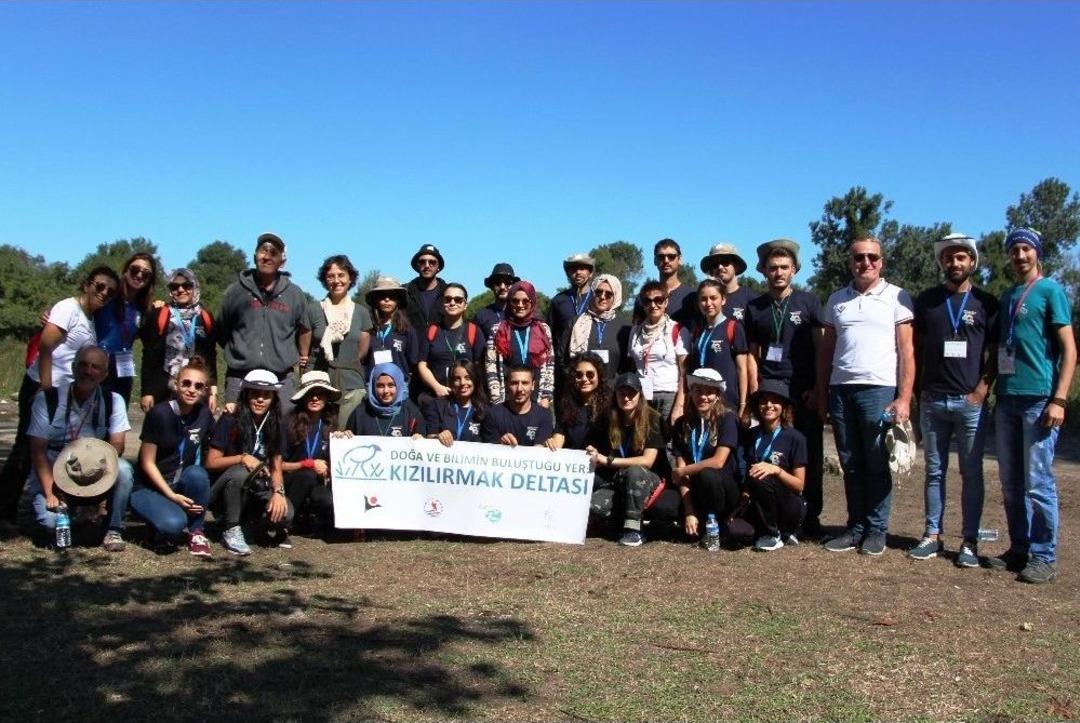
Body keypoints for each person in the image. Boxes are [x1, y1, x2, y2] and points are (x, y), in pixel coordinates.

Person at [987, 228, 1076, 584]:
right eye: (1014, 250)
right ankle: (1019, 548)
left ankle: (1044, 555)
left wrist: (1059, 398)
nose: (1020, 256)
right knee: (1011, 482)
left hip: (1039, 399)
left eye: (1026, 249)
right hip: (1007, 398)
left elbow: (1070, 349)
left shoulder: (1051, 290)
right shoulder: (1007, 296)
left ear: (1037, 253)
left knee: (1038, 481)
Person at [818, 237, 915, 557]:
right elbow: (826, 351)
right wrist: (822, 392)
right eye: (859, 257)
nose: (866, 263)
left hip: (878, 390)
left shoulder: (896, 297)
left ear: (882, 261)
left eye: (872, 257)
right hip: (841, 389)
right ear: (850, 262)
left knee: (876, 462)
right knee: (851, 462)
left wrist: (903, 398)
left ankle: (876, 530)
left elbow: (906, 351)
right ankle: (855, 527)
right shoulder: (836, 300)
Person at [0, 266, 119, 523]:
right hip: (45, 387)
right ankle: (5, 508)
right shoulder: (69, 308)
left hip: (65, 391)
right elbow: (46, 346)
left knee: (41, 447)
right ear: (87, 284)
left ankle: (22, 505)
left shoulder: (88, 318)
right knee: (26, 447)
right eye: (99, 286)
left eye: (109, 292)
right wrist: (45, 387)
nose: (103, 293)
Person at [907, 234, 998, 567]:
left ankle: (969, 542)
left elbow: (995, 353)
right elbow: (915, 349)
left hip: (970, 402)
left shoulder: (987, 303)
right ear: (941, 262)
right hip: (933, 399)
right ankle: (932, 535)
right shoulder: (928, 301)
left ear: (972, 262)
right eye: (949, 258)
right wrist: (916, 393)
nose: (955, 263)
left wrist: (982, 390)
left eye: (961, 258)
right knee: (934, 471)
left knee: (971, 473)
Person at [745, 239, 825, 536]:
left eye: (784, 268)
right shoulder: (756, 307)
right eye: (772, 268)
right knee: (768, 450)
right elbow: (753, 352)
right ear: (764, 271)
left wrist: (819, 387)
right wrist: (756, 387)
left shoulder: (809, 302)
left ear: (794, 270)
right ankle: (772, 514)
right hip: (770, 388)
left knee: (809, 454)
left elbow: (820, 347)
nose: (778, 273)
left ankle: (811, 516)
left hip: (802, 389)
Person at [20, 345, 133, 551]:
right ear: (73, 368)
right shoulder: (46, 399)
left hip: (92, 465)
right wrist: (50, 491)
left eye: (95, 367)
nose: (88, 371)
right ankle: (69, 511)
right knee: (51, 524)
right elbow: (37, 450)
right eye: (83, 365)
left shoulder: (113, 401)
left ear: (105, 374)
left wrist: (95, 461)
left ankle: (113, 529)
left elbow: (118, 443)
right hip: (54, 466)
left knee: (124, 469)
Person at [216, 232, 313, 417]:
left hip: (281, 376)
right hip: (240, 374)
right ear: (254, 256)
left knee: (286, 428)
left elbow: (304, 328)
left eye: (273, 252)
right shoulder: (235, 292)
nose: (267, 256)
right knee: (234, 427)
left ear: (282, 262)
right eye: (263, 251)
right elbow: (222, 329)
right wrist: (240, 351)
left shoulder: (294, 294)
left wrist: (302, 355)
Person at [129, 357, 214, 556]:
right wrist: (171, 496)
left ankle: (196, 531)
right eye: (186, 383)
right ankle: (157, 521)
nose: (192, 389)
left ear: (204, 390)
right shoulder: (159, 414)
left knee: (198, 474)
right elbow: (146, 462)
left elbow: (213, 448)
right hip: (150, 486)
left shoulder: (204, 414)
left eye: (198, 386)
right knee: (173, 525)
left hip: (179, 482)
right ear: (176, 385)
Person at [206, 369, 293, 556]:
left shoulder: (277, 423)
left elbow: (276, 467)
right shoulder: (230, 419)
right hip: (224, 485)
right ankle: (231, 527)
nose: (260, 399)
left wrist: (278, 493)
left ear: (273, 399)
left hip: (257, 487)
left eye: (266, 395)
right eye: (255, 394)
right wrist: (242, 458)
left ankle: (248, 523)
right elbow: (211, 462)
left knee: (286, 514)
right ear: (246, 395)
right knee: (241, 471)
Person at [585, 373, 668, 547]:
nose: (626, 397)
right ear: (615, 395)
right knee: (593, 507)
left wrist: (608, 461)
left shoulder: (653, 418)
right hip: (618, 479)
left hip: (647, 477)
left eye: (632, 393)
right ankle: (619, 521)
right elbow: (597, 449)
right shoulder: (608, 418)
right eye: (621, 393)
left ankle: (633, 529)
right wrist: (593, 452)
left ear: (640, 395)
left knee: (635, 471)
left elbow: (648, 461)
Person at [670, 368, 739, 549]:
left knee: (708, 474)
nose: (703, 397)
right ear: (691, 392)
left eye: (709, 392)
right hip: (696, 490)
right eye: (698, 391)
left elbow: (718, 462)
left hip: (724, 488)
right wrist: (689, 511)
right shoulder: (681, 424)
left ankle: (720, 524)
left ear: (717, 394)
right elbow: (680, 475)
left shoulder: (727, 419)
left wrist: (684, 470)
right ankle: (698, 519)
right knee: (665, 507)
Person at [739, 380, 807, 552]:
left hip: (788, 502)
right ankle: (780, 532)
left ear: (784, 407)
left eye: (774, 401)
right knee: (738, 533)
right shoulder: (752, 435)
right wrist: (746, 491)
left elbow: (799, 486)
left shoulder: (795, 438)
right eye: (763, 401)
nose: (768, 405)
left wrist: (776, 470)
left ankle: (774, 533)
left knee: (761, 475)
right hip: (759, 500)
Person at [139, 267, 218, 413]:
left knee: (194, 431)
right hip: (164, 387)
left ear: (194, 287)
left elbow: (210, 355)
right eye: (174, 287)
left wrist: (213, 391)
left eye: (186, 285)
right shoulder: (160, 313)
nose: (180, 290)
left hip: (195, 387)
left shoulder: (205, 316)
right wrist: (147, 391)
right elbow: (149, 354)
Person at [310, 255, 374, 427]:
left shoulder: (361, 313)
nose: (336, 280)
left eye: (341, 275)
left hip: (352, 386)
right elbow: (306, 352)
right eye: (331, 276)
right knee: (322, 440)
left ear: (350, 278)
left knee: (348, 439)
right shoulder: (314, 310)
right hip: (320, 387)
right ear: (324, 279)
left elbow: (361, 353)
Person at [95, 253, 158, 406]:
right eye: (135, 269)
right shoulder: (107, 295)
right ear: (125, 271)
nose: (139, 275)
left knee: (117, 417)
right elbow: (81, 306)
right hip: (96, 364)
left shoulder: (145, 309)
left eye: (146, 273)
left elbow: (151, 348)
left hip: (123, 369)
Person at [281, 371, 340, 533]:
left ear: (327, 397)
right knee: (307, 475)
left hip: (317, 483)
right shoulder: (288, 421)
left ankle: (305, 519)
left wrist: (345, 439)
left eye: (320, 394)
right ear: (303, 396)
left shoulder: (331, 423)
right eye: (310, 394)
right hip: (289, 481)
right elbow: (277, 465)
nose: (315, 398)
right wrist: (308, 464)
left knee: (327, 500)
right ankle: (286, 521)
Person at [485, 280, 556, 406]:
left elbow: (550, 364)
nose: (520, 305)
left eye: (525, 301)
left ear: (532, 302)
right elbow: (491, 366)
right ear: (509, 302)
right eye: (515, 301)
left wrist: (546, 397)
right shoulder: (497, 330)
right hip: (506, 399)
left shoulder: (543, 329)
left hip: (537, 399)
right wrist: (497, 399)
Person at [629, 280, 689, 427]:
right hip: (641, 395)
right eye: (647, 301)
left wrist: (679, 406)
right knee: (643, 442)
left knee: (668, 444)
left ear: (666, 302)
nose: (653, 305)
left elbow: (684, 373)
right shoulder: (635, 331)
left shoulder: (678, 330)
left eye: (658, 300)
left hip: (668, 395)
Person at [685, 279, 749, 415]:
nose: (708, 303)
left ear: (723, 300)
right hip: (701, 401)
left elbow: (742, 369)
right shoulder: (698, 331)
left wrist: (743, 404)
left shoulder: (733, 327)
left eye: (713, 298)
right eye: (703, 299)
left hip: (726, 402)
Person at [416, 283, 485, 404]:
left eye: (458, 300)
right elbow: (422, 365)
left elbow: (480, 366)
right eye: (448, 299)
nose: (452, 303)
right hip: (437, 398)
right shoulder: (432, 331)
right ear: (442, 304)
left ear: (465, 305)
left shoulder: (474, 331)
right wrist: (436, 387)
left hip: (466, 398)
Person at [563, 273, 631, 383]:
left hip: (613, 392)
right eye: (598, 292)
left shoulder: (625, 327)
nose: (602, 297)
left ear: (616, 297)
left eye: (608, 294)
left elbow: (628, 365)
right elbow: (563, 359)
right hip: (580, 389)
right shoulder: (576, 323)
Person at [546, 353, 610, 452]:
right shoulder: (566, 406)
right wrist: (552, 444)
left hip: (601, 464)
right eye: (579, 375)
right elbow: (558, 438)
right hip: (573, 464)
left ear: (599, 375)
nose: (584, 379)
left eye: (590, 375)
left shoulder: (610, 407)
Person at [364, 276, 420, 387]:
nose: (387, 300)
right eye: (382, 296)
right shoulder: (368, 329)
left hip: (400, 387)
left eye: (392, 296)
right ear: (375, 300)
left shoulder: (407, 330)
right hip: (372, 386)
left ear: (398, 300)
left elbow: (413, 362)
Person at [345, 363, 427, 439]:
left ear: (398, 385)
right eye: (380, 386)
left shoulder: (411, 414)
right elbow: (348, 442)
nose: (386, 391)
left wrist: (420, 439)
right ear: (373, 387)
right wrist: (342, 437)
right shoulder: (360, 413)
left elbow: (424, 447)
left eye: (391, 385)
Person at [481, 366, 554, 447]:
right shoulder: (493, 414)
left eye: (525, 383)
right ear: (506, 385)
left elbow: (539, 450)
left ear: (533, 385)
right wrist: (499, 444)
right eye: (514, 383)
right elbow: (487, 451)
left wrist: (544, 446)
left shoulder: (544, 415)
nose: (519, 389)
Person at [633, 239, 697, 326]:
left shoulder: (692, 296)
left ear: (680, 259)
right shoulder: (643, 297)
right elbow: (636, 330)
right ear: (655, 260)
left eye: (671, 256)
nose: (666, 260)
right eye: (661, 257)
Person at [425, 360, 488, 446]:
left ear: (475, 380)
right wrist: (438, 436)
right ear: (451, 382)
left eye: (468, 378)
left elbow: (490, 443)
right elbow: (429, 438)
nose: (462, 383)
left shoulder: (484, 409)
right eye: (457, 379)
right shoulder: (437, 405)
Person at [548, 253, 596, 345]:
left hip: (590, 357)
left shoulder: (597, 299)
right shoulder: (558, 300)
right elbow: (550, 334)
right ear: (568, 274)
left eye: (582, 268)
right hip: (564, 358)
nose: (578, 272)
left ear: (590, 273)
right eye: (574, 269)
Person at [404, 243, 449, 331]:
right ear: (417, 265)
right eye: (422, 262)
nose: (427, 265)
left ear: (438, 267)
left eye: (432, 262)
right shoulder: (405, 292)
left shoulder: (449, 294)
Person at [473, 262, 520, 340]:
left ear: (514, 286)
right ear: (491, 286)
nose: (502, 287)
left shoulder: (523, 314)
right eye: (498, 283)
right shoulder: (481, 317)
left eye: (507, 282)